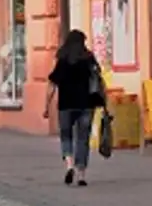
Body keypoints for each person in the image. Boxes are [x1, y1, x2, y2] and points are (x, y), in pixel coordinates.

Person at [43, 29, 104, 187]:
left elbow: (52, 84)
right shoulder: (89, 58)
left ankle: (69, 165)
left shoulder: (62, 59)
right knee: (83, 139)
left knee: (66, 136)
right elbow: (98, 79)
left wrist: (46, 105)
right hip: (86, 104)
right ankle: (81, 175)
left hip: (66, 104)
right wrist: (103, 101)